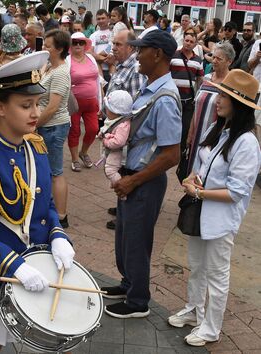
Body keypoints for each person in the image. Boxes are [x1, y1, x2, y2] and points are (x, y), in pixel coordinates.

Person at [0, 50, 75, 354]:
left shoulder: (36, 147)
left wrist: (58, 235)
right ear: (0, 107)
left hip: (39, 269)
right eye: (25, 105)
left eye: (36, 104)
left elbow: (43, 206)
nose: (35, 112)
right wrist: (12, 264)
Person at [168, 69, 261, 347]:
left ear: (240, 104)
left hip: (219, 219)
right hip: (200, 211)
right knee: (197, 266)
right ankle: (194, 310)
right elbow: (199, 166)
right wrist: (191, 178)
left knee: (217, 275)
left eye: (224, 95)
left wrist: (200, 191)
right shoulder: (217, 128)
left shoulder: (247, 143)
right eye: (220, 92)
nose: (217, 99)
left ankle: (211, 327)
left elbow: (236, 192)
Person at [102, 30, 181, 318]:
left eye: (142, 50)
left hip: (144, 180)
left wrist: (134, 180)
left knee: (136, 239)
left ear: (157, 54)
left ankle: (138, 301)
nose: (138, 55)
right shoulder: (149, 89)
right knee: (124, 236)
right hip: (133, 176)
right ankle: (128, 284)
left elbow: (172, 154)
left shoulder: (165, 98)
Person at [104, 29, 146, 230]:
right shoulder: (121, 66)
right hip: (116, 127)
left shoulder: (135, 70)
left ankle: (124, 211)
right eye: (113, 43)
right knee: (117, 169)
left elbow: (135, 106)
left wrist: (120, 132)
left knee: (120, 171)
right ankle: (120, 205)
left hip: (123, 133)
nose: (113, 47)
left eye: (118, 44)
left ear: (131, 47)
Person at [37, 29, 71, 229]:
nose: (44, 49)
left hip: (53, 127)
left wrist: (34, 125)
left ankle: (61, 215)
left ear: (59, 49)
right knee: (49, 170)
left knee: (56, 171)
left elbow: (52, 107)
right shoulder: (50, 67)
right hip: (47, 126)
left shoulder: (60, 73)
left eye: (48, 46)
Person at [188, 42, 234, 176]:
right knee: (192, 172)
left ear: (229, 61)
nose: (214, 61)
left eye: (219, 59)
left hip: (215, 136)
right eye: (213, 57)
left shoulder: (230, 83)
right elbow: (196, 106)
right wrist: (190, 133)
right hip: (197, 134)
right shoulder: (207, 78)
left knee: (206, 172)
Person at [170, 31, 204, 180]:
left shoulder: (198, 60)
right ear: (183, 40)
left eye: (191, 41)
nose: (188, 43)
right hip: (173, 100)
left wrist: (198, 96)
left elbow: (200, 79)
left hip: (188, 101)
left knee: (184, 129)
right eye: (186, 40)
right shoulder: (174, 55)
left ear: (195, 44)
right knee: (170, 125)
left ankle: (179, 155)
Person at [66, 32, 102, 172]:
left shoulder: (91, 58)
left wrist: (100, 98)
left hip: (91, 101)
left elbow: (98, 79)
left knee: (93, 129)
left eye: (81, 42)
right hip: (74, 103)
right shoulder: (68, 60)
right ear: (71, 45)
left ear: (85, 44)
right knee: (74, 130)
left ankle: (84, 152)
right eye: (75, 42)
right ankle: (75, 158)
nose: (78, 45)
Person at [98, 90, 133, 188]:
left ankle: (121, 186)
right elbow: (107, 128)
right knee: (107, 166)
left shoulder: (123, 125)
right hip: (112, 151)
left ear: (115, 111)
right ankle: (116, 182)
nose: (106, 110)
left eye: (108, 108)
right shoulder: (115, 119)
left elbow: (118, 142)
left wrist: (105, 140)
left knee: (110, 170)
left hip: (117, 151)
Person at [89, 9, 112, 84]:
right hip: (98, 70)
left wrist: (97, 57)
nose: (101, 21)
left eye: (103, 18)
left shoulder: (114, 32)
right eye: (99, 19)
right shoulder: (93, 35)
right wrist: (102, 58)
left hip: (112, 69)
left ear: (108, 18)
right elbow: (90, 52)